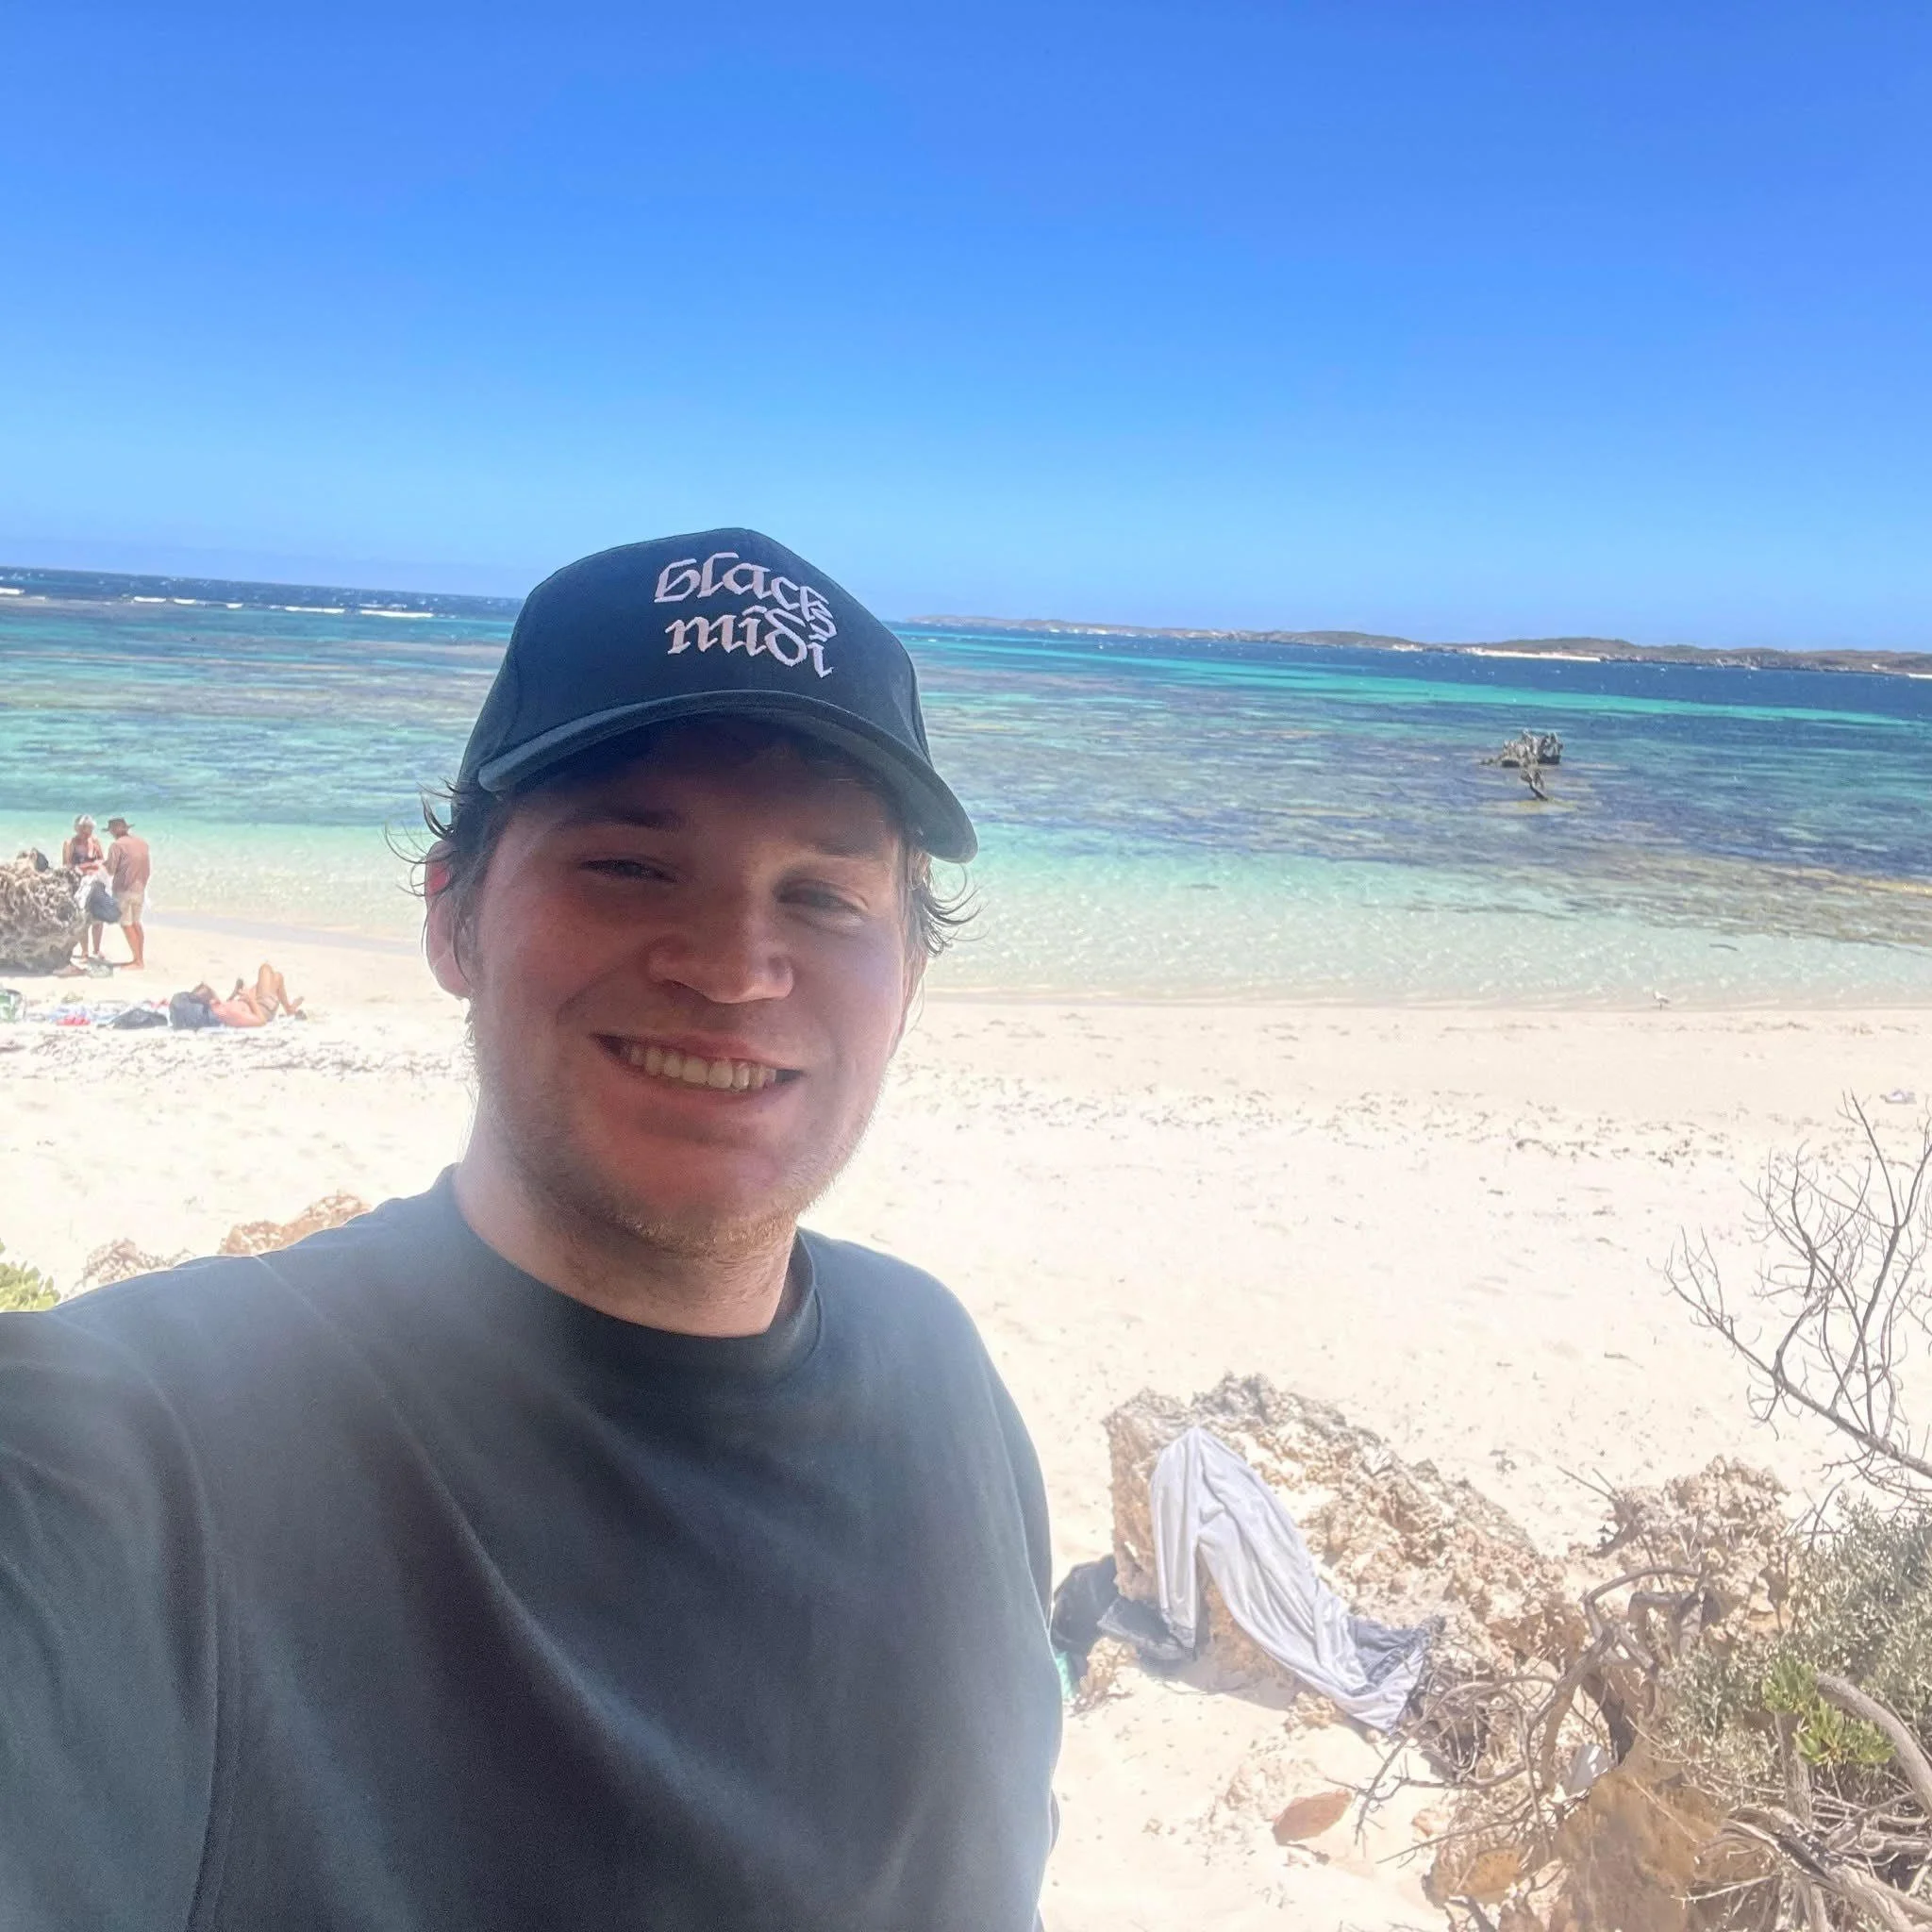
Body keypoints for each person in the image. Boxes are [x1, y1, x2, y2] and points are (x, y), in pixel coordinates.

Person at [0, 530, 1060, 1931]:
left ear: (909, 973)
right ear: (454, 920)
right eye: (629, 863)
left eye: (824, 894)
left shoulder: (941, 1377)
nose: (738, 968)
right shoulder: (137, 1452)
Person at [103, 813, 150, 970]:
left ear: (114, 831)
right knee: (136, 923)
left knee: (126, 924)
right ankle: (139, 957)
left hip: (123, 889)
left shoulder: (117, 846)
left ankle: (137, 961)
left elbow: (111, 870)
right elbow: (147, 868)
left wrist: (102, 864)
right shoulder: (142, 843)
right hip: (140, 888)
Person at [62, 811, 106, 959]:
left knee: (98, 918)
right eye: (83, 829)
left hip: (95, 882)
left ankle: (97, 949)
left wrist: (92, 866)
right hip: (78, 884)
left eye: (89, 829)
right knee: (83, 917)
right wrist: (86, 866)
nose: (86, 833)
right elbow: (67, 865)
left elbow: (101, 861)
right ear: (77, 829)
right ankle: (84, 951)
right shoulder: (70, 843)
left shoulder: (95, 842)